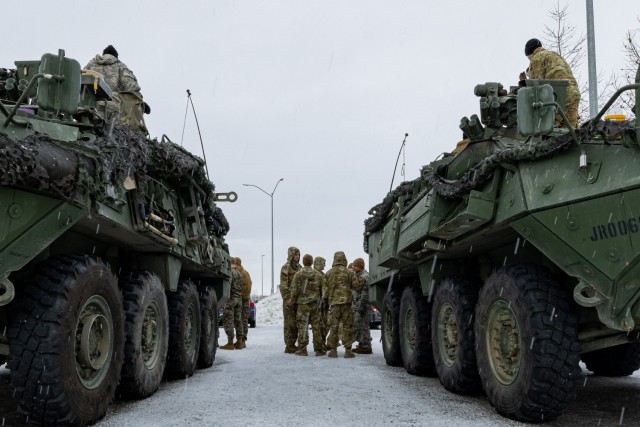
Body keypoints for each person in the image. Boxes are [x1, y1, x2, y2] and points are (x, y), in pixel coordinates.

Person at [84, 45, 149, 133]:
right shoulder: (120, 66)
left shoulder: (90, 65)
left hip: (87, 105)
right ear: (115, 56)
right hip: (110, 106)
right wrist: (142, 104)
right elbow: (132, 87)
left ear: (103, 55)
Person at [521, 38, 580, 128]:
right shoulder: (554, 55)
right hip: (574, 93)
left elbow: (537, 85)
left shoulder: (537, 58)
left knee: (552, 132)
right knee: (570, 131)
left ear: (529, 53)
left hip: (560, 95)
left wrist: (526, 81)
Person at [324, 251, 363, 358]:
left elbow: (325, 291)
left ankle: (333, 351)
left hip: (334, 304)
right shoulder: (349, 272)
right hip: (346, 304)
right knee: (347, 326)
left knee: (334, 327)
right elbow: (356, 286)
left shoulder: (328, 273)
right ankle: (348, 351)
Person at [289, 254, 326, 356]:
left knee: (303, 327)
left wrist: (293, 300)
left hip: (303, 305)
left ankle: (302, 349)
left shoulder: (298, 275)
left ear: (303, 262)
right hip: (315, 305)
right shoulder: (318, 275)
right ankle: (318, 349)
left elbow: (294, 290)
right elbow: (324, 290)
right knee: (316, 327)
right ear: (312, 262)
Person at [280, 247, 302, 353]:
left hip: (298, 301)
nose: (297, 256)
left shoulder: (300, 267)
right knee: (289, 323)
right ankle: (289, 345)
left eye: (298, 254)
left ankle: (294, 343)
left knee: (296, 323)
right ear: (291, 255)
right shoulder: (286, 267)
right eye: (295, 254)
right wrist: (288, 299)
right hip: (289, 301)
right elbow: (283, 286)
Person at [220, 258, 244, 350]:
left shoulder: (230, 272)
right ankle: (239, 342)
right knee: (238, 320)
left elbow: (228, 286)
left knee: (228, 319)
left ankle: (230, 343)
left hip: (231, 299)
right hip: (239, 299)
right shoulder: (239, 273)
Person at [351, 258, 373, 354]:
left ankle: (366, 346)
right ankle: (361, 344)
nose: (353, 267)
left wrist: (361, 306)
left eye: (355, 266)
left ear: (360, 266)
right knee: (360, 326)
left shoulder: (364, 276)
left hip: (362, 306)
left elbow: (365, 294)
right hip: (358, 305)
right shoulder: (358, 275)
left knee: (363, 326)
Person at [234, 257, 252, 349]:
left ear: (238, 264)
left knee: (243, 320)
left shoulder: (243, 274)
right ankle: (240, 340)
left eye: (235, 264)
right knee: (240, 320)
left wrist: (240, 296)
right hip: (242, 300)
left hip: (243, 301)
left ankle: (243, 340)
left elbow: (247, 288)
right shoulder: (241, 273)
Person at [313, 256, 329, 351]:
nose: (324, 265)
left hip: (323, 303)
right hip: (317, 304)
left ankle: (322, 342)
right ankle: (318, 344)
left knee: (324, 324)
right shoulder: (314, 274)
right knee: (318, 325)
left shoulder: (323, 274)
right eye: (323, 263)